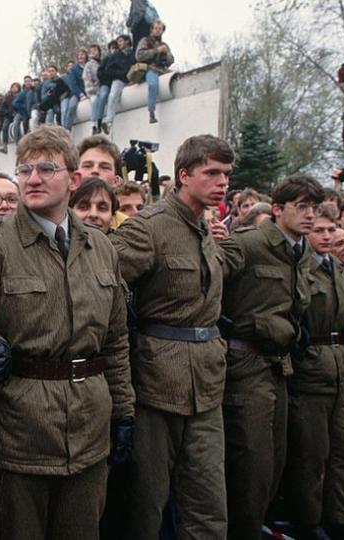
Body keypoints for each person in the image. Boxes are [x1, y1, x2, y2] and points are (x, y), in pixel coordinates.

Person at [0, 126, 135, 540]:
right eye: (24, 168)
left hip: (89, 437)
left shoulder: (100, 248)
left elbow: (115, 343)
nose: (32, 178)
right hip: (18, 444)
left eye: (46, 167)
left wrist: (124, 412)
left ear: (73, 179)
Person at [111, 134, 235, 539]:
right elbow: (99, 281)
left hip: (208, 384)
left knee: (208, 504)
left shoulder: (206, 229)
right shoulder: (150, 228)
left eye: (227, 175)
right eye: (212, 173)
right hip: (156, 384)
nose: (222, 183)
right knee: (146, 505)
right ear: (184, 176)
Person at [219, 174, 323, 540]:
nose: (310, 215)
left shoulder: (301, 250)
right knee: (252, 466)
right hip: (245, 364)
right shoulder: (250, 243)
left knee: (275, 462)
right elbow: (210, 281)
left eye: (315, 207)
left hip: (279, 364)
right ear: (277, 210)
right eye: (301, 207)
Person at [279, 204, 344, 540]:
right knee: (311, 452)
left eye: (331, 230)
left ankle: (342, 519)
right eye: (320, 230)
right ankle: (308, 522)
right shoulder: (300, 269)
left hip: (338, 367)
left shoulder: (336, 268)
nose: (327, 237)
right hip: (310, 368)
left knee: (343, 451)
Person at [135, 20, 174, 124]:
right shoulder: (145, 41)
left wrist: (166, 54)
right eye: (155, 28)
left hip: (163, 70)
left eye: (160, 29)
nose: (157, 31)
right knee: (153, 84)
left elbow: (171, 61)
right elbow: (139, 55)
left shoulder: (164, 44)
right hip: (150, 68)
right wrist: (156, 51)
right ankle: (151, 111)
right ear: (152, 29)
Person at [99, 35, 135, 136]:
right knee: (113, 95)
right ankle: (108, 122)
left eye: (121, 41)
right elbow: (108, 70)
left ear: (127, 41)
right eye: (118, 41)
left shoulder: (133, 54)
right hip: (119, 79)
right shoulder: (115, 55)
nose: (119, 43)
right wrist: (122, 73)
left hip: (132, 80)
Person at [61, 49, 87, 131]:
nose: (80, 57)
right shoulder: (74, 69)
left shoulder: (89, 66)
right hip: (77, 93)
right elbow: (73, 84)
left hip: (89, 91)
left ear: (86, 56)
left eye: (82, 54)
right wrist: (80, 94)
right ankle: (67, 129)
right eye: (79, 55)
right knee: (71, 106)